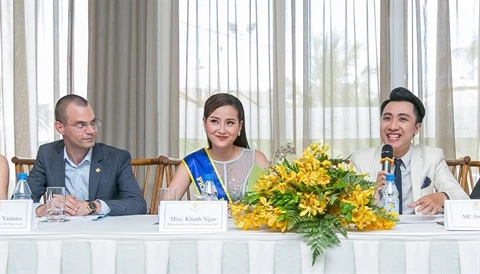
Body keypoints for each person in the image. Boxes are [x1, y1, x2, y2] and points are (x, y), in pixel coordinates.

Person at [350, 87, 469, 215]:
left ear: (416, 128)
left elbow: (461, 198)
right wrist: (373, 195)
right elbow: (344, 207)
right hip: (378, 231)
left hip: (418, 232)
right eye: (387, 118)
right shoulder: (360, 160)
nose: (392, 126)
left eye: (402, 119)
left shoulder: (432, 157)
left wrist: (442, 197)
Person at [28, 94, 147, 216]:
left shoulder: (116, 158)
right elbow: (20, 202)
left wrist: (92, 206)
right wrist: (43, 209)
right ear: (60, 127)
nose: (91, 131)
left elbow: (137, 204)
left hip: (101, 232)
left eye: (93, 123)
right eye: (81, 125)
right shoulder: (47, 154)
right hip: (61, 230)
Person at [169, 93, 269, 202]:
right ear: (204, 123)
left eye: (229, 123)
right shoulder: (193, 162)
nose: (222, 130)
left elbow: (275, 205)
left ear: (240, 126)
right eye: (214, 121)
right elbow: (166, 206)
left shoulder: (256, 158)